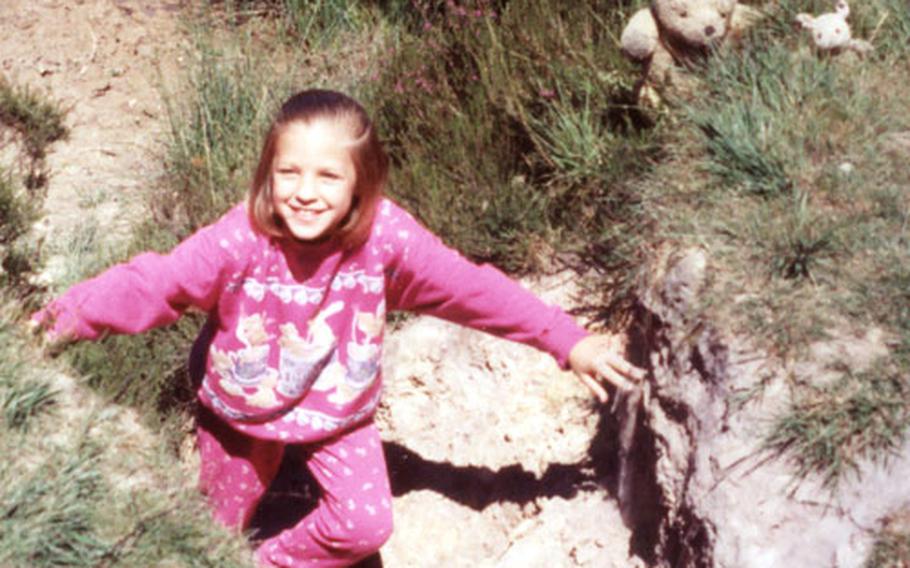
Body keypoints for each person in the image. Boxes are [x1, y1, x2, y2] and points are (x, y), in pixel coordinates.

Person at [30, 89, 645, 567]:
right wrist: (50, 323)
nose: (303, 193)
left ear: (361, 185)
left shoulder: (387, 240)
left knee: (364, 525)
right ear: (267, 173)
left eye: (328, 176)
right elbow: (152, 284)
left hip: (335, 413)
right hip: (241, 412)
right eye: (289, 172)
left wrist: (566, 338)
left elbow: (472, 289)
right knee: (213, 528)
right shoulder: (239, 240)